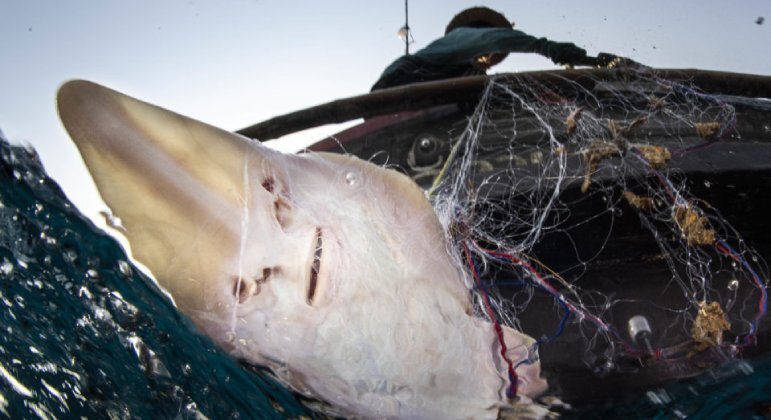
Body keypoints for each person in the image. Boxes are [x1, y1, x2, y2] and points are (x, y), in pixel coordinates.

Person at [371, 7, 589, 91]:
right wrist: (552, 49)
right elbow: (502, 39)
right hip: (403, 77)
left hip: (406, 80)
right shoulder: (465, 35)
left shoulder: (459, 58)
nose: (487, 57)